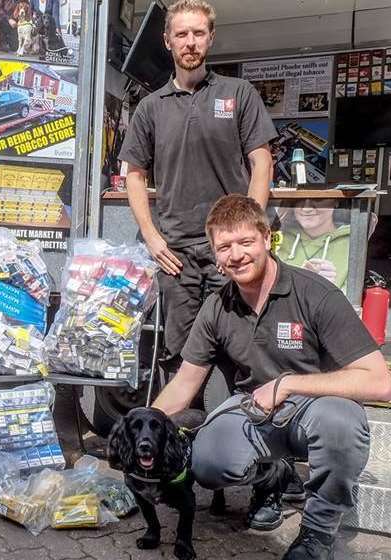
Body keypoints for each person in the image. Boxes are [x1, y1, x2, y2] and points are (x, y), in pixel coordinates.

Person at [153, 195, 391, 560]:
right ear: (215, 254)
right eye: (224, 247)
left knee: (342, 424)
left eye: (245, 242)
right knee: (205, 461)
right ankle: (271, 478)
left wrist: (289, 384)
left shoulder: (315, 293)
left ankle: (316, 533)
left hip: (316, 407)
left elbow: (380, 383)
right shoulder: (217, 306)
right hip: (253, 409)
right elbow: (185, 382)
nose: (236, 255)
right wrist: (140, 425)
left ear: (267, 238)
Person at [118, 0, 276, 385]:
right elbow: (133, 175)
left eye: (198, 34)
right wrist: (153, 238)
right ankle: (181, 435)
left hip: (228, 251)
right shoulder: (150, 108)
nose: (190, 42)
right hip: (177, 255)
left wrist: (245, 234)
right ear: (168, 41)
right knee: (177, 352)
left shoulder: (238, 94)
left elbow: (262, 162)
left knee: (239, 349)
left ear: (211, 38)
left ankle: (232, 433)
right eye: (182, 34)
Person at [274, 199, 350, 293]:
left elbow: (353, 302)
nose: (306, 208)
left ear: (335, 201)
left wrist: (329, 289)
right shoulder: (279, 239)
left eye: (316, 198)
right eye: (299, 198)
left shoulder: (353, 243)